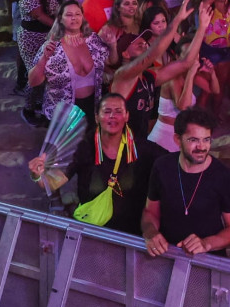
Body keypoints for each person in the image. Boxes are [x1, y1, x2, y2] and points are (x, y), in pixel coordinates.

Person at [33, 92, 150, 235]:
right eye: (107, 111)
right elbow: (53, 182)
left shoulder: (142, 149)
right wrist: (38, 175)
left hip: (130, 233)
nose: (112, 116)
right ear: (97, 117)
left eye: (118, 111)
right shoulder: (84, 147)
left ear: (127, 116)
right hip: (92, 231)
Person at [143, 108, 230, 257]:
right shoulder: (162, 166)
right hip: (166, 254)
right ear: (177, 139)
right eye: (193, 140)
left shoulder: (224, 176)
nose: (201, 147)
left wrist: (207, 243)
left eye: (206, 139)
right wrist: (150, 232)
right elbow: (151, 211)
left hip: (207, 260)